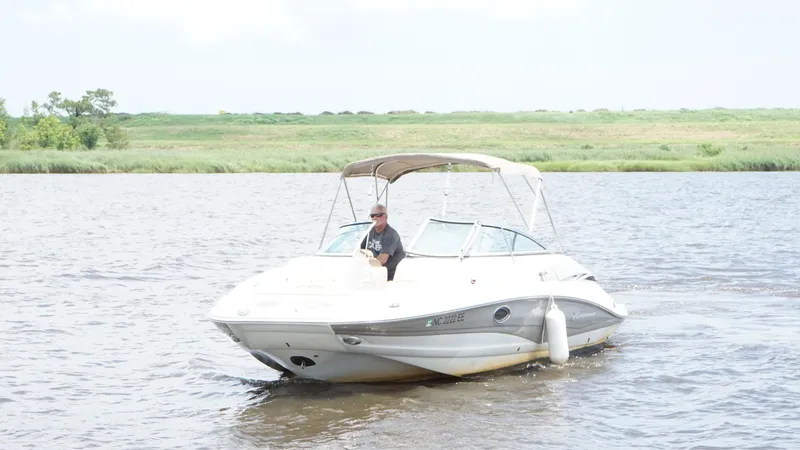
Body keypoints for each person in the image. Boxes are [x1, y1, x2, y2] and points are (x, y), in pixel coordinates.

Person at [360, 203, 405, 281]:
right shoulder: (369, 232)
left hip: (391, 275)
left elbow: (382, 260)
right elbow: (360, 249)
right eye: (372, 216)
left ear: (386, 217)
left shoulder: (391, 234)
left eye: (378, 215)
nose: (375, 218)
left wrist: (365, 267)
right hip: (376, 272)